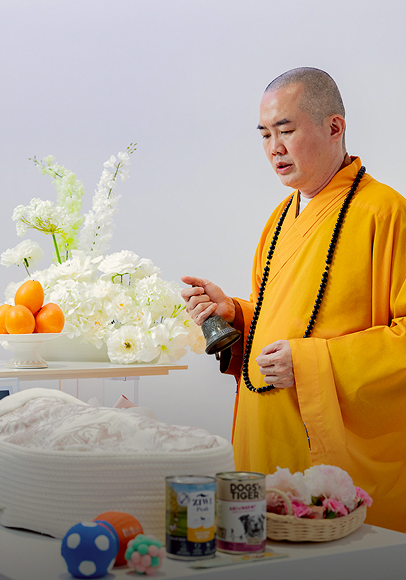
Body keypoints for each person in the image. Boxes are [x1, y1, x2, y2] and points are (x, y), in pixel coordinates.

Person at [181, 67, 406, 533]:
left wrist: (311, 363)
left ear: (334, 127)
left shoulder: (385, 212)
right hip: (266, 432)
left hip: (331, 451)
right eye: (265, 135)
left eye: (286, 130)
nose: (274, 148)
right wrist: (235, 315)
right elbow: (284, 315)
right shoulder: (280, 218)